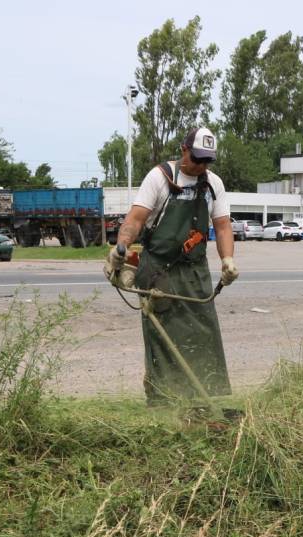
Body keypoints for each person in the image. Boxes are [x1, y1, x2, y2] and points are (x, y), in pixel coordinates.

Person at [105, 127, 239, 405]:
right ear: (184, 150)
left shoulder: (213, 184)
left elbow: (223, 226)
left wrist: (227, 259)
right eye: (197, 158)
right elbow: (136, 219)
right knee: (163, 335)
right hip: (159, 269)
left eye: (207, 161)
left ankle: (203, 398)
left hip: (195, 270)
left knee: (203, 331)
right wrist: (121, 247)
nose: (201, 166)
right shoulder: (160, 177)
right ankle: (164, 399)